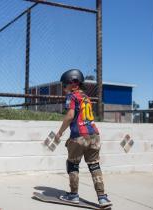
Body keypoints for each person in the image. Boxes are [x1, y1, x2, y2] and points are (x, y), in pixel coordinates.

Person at [54, 69, 111, 207]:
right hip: (94, 136)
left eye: (65, 85)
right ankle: (102, 197)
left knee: (72, 164)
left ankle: (73, 195)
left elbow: (70, 116)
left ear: (74, 84)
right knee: (94, 166)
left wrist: (60, 132)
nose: (64, 88)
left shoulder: (72, 96)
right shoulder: (86, 97)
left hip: (79, 137)